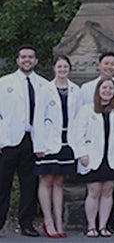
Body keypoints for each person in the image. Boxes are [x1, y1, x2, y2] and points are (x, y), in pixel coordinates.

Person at [71, 77, 114, 238]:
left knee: (108, 191)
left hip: (113, 157)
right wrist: (81, 153)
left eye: (110, 89)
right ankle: (91, 226)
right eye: (104, 88)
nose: (107, 91)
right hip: (92, 157)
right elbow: (78, 134)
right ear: (98, 91)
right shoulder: (86, 110)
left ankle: (103, 226)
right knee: (94, 191)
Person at [0, 45, 45, 237]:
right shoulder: (4, 83)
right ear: (18, 60)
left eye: (31, 57)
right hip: (8, 141)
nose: (27, 60)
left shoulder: (43, 85)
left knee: (30, 185)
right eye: (23, 57)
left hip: (32, 140)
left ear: (35, 61)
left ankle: (26, 224)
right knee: (3, 184)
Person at [33, 55, 77, 238]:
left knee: (59, 181)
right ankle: (48, 221)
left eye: (65, 67)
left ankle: (59, 221)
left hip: (68, 140)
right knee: (47, 180)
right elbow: (38, 118)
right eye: (59, 67)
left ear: (69, 69)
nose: (62, 70)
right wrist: (39, 145)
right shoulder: (45, 90)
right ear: (54, 68)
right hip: (49, 141)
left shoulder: (76, 89)